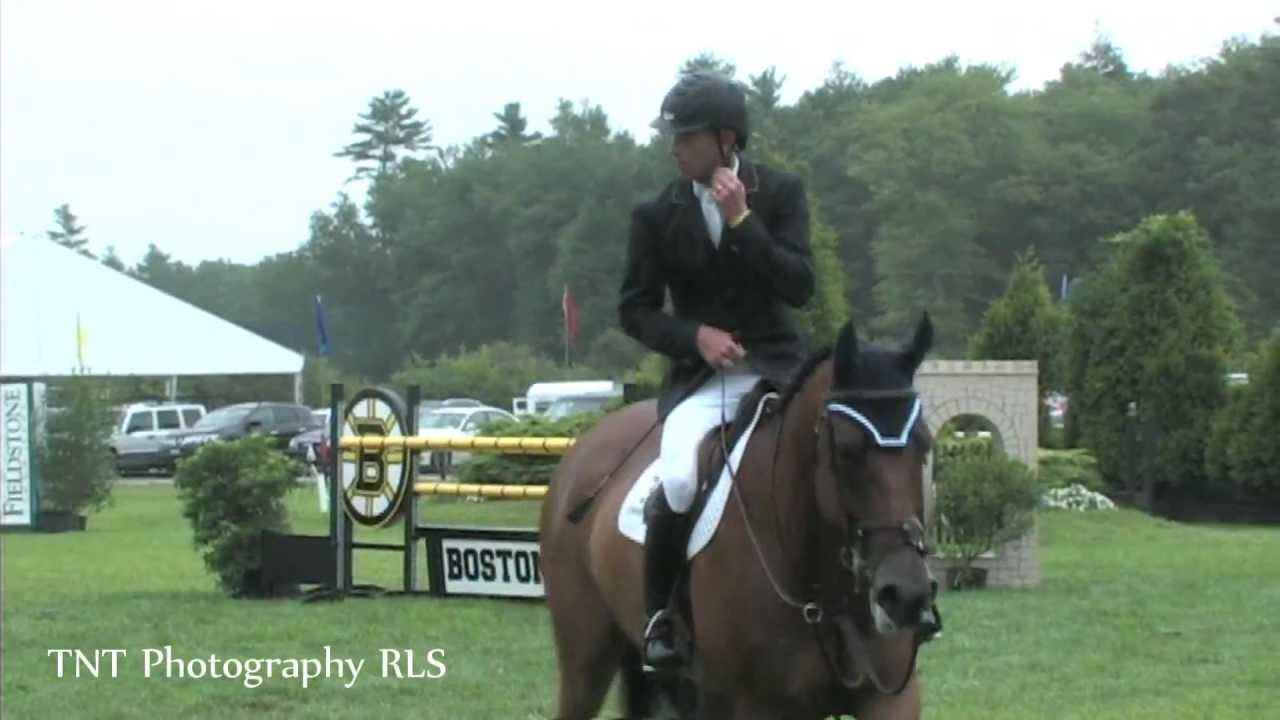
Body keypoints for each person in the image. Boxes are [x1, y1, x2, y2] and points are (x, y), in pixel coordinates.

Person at [617, 70, 817, 669]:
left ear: (727, 140)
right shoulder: (656, 215)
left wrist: (743, 224)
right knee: (678, 480)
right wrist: (693, 336)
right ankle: (659, 615)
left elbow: (801, 285)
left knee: (839, 458)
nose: (674, 145)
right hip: (703, 383)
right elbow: (635, 310)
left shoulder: (780, 193)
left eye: (688, 135)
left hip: (778, 369)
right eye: (673, 135)